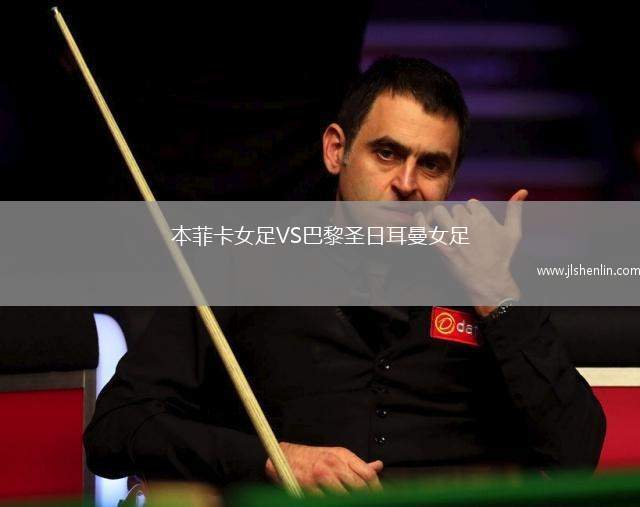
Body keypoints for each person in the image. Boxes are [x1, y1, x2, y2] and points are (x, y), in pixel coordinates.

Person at [84, 57, 606, 492]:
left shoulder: (489, 282)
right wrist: (274, 459)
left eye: (431, 165)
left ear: (451, 181)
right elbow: (115, 430)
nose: (407, 183)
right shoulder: (237, 267)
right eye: (387, 153)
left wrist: (498, 296)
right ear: (337, 150)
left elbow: (577, 452)